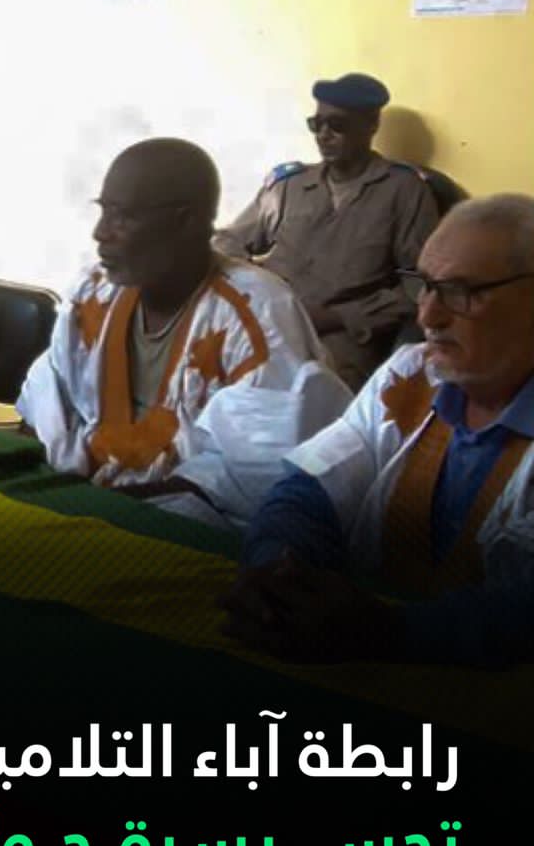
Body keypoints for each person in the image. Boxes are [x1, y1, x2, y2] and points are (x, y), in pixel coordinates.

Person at [225, 195, 534, 666]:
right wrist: (277, 570)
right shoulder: (412, 375)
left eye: (461, 292)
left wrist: (392, 631)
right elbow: (312, 486)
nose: (427, 316)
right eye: (425, 286)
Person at [16, 139, 349, 525]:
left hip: (187, 529)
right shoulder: (93, 293)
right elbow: (46, 404)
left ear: (186, 222)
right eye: (103, 211)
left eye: (122, 217)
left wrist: (105, 510)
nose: (100, 232)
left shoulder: (258, 313)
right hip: (78, 507)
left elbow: (254, 475)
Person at [213, 73, 439, 388]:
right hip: (267, 325)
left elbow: (420, 286)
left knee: (308, 398)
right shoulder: (290, 185)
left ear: (370, 125)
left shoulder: (403, 190)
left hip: (340, 339)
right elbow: (225, 242)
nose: (323, 135)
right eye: (316, 124)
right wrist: (256, 289)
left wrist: (339, 317)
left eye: (337, 125)